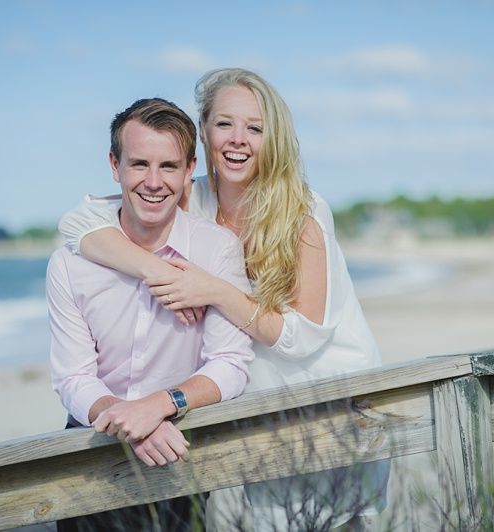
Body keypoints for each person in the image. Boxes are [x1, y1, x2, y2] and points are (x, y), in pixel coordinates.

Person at [59, 68, 389, 531]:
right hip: (260, 398)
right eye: (224, 124)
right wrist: (156, 271)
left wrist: (212, 289)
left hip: (333, 392)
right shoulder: (192, 199)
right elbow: (78, 224)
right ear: (205, 133)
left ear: (272, 138)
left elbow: (301, 337)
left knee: (341, 520)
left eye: (254, 128)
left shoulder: (302, 210)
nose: (238, 140)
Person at [47, 97, 254, 530]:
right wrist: (128, 420)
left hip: (179, 442)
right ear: (114, 165)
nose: (154, 182)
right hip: (91, 443)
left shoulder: (216, 250)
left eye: (169, 167)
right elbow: (73, 377)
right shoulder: (71, 262)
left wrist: (161, 406)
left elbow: (231, 364)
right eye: (139, 164)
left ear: (189, 169)